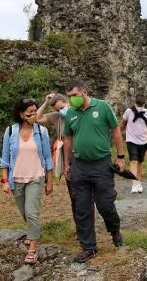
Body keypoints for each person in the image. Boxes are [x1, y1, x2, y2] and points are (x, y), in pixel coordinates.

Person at [62, 78, 125, 263]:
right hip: (79, 165)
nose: (72, 99)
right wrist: (67, 164)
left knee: (105, 204)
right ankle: (89, 247)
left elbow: (115, 131)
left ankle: (114, 230)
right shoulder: (71, 113)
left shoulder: (102, 107)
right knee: (81, 209)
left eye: (74, 95)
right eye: (69, 96)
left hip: (101, 164)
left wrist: (120, 157)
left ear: (84, 92)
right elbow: (67, 139)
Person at [0, 98, 54, 265]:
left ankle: (32, 249)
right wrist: (5, 181)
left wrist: (49, 181)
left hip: (36, 177)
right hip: (16, 180)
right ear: (21, 113)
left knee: (32, 213)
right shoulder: (10, 131)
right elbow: (5, 160)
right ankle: (34, 232)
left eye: (35, 111)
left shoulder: (41, 131)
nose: (33, 114)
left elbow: (47, 157)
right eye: (29, 111)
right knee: (25, 213)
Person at [36, 93, 94, 229]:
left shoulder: (80, 113)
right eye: (57, 110)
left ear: (67, 102)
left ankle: (89, 228)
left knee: (88, 198)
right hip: (70, 162)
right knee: (74, 197)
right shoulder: (57, 118)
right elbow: (36, 118)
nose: (60, 111)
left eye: (62, 107)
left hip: (86, 160)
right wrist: (45, 102)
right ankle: (80, 228)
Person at [119, 94, 147, 193]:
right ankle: (134, 183)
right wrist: (118, 134)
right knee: (133, 161)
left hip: (143, 141)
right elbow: (123, 124)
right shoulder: (129, 111)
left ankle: (139, 181)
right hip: (131, 140)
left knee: (140, 162)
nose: (139, 106)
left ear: (144, 104)